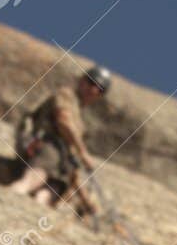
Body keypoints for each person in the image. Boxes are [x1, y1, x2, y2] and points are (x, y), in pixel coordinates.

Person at [12, 65, 111, 215]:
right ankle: (16, 193)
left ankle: (33, 212)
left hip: (61, 163)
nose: (94, 90)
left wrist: (85, 200)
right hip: (44, 145)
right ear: (82, 81)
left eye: (100, 89)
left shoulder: (80, 121)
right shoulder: (66, 95)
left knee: (56, 186)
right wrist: (83, 152)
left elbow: (73, 167)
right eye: (92, 83)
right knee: (43, 168)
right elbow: (62, 121)